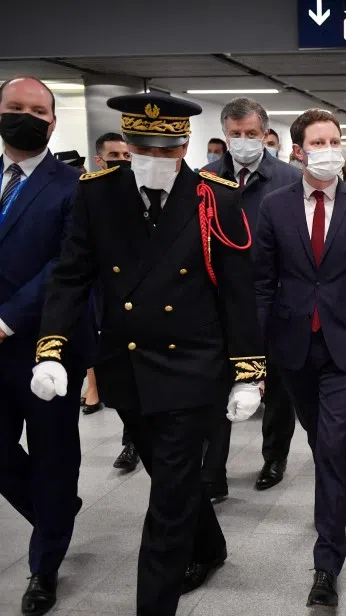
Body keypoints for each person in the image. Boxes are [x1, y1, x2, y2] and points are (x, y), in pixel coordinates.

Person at [30, 92, 264, 616]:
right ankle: (210, 545)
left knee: (167, 502)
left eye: (165, 149)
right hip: (127, 365)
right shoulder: (97, 193)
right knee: (167, 473)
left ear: (184, 146)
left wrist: (248, 372)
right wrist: (51, 347)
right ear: (127, 144)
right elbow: (71, 275)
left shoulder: (215, 197)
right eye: (141, 147)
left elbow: (237, 292)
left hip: (192, 365)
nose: (153, 158)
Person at [255, 109, 346, 607]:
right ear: (298, 151)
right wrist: (254, 362)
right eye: (319, 142)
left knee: (335, 449)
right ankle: (330, 499)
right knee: (320, 440)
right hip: (293, 346)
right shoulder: (274, 206)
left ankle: (326, 562)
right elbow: (262, 284)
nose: (330, 150)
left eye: (336, 141)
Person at [0, 75, 88, 616]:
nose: (26, 117)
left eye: (38, 111)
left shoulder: (75, 185)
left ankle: (44, 567)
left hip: (46, 346)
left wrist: (7, 319)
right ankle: (55, 514)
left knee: (53, 453)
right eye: (15, 107)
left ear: (53, 122)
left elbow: (66, 265)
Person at [203, 97, 302, 496]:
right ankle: (213, 472)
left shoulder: (290, 179)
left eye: (252, 133)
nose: (243, 140)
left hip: (275, 298)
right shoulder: (206, 179)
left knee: (277, 386)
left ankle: (275, 456)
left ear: (265, 134)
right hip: (221, 300)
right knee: (217, 384)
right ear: (225, 135)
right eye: (236, 133)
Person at [87, 133, 141, 471]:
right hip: (104, 295)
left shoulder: (141, 194)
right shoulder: (90, 196)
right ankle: (132, 438)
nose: (122, 161)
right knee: (120, 376)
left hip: (139, 298)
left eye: (126, 154)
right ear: (100, 160)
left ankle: (133, 442)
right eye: (114, 155)